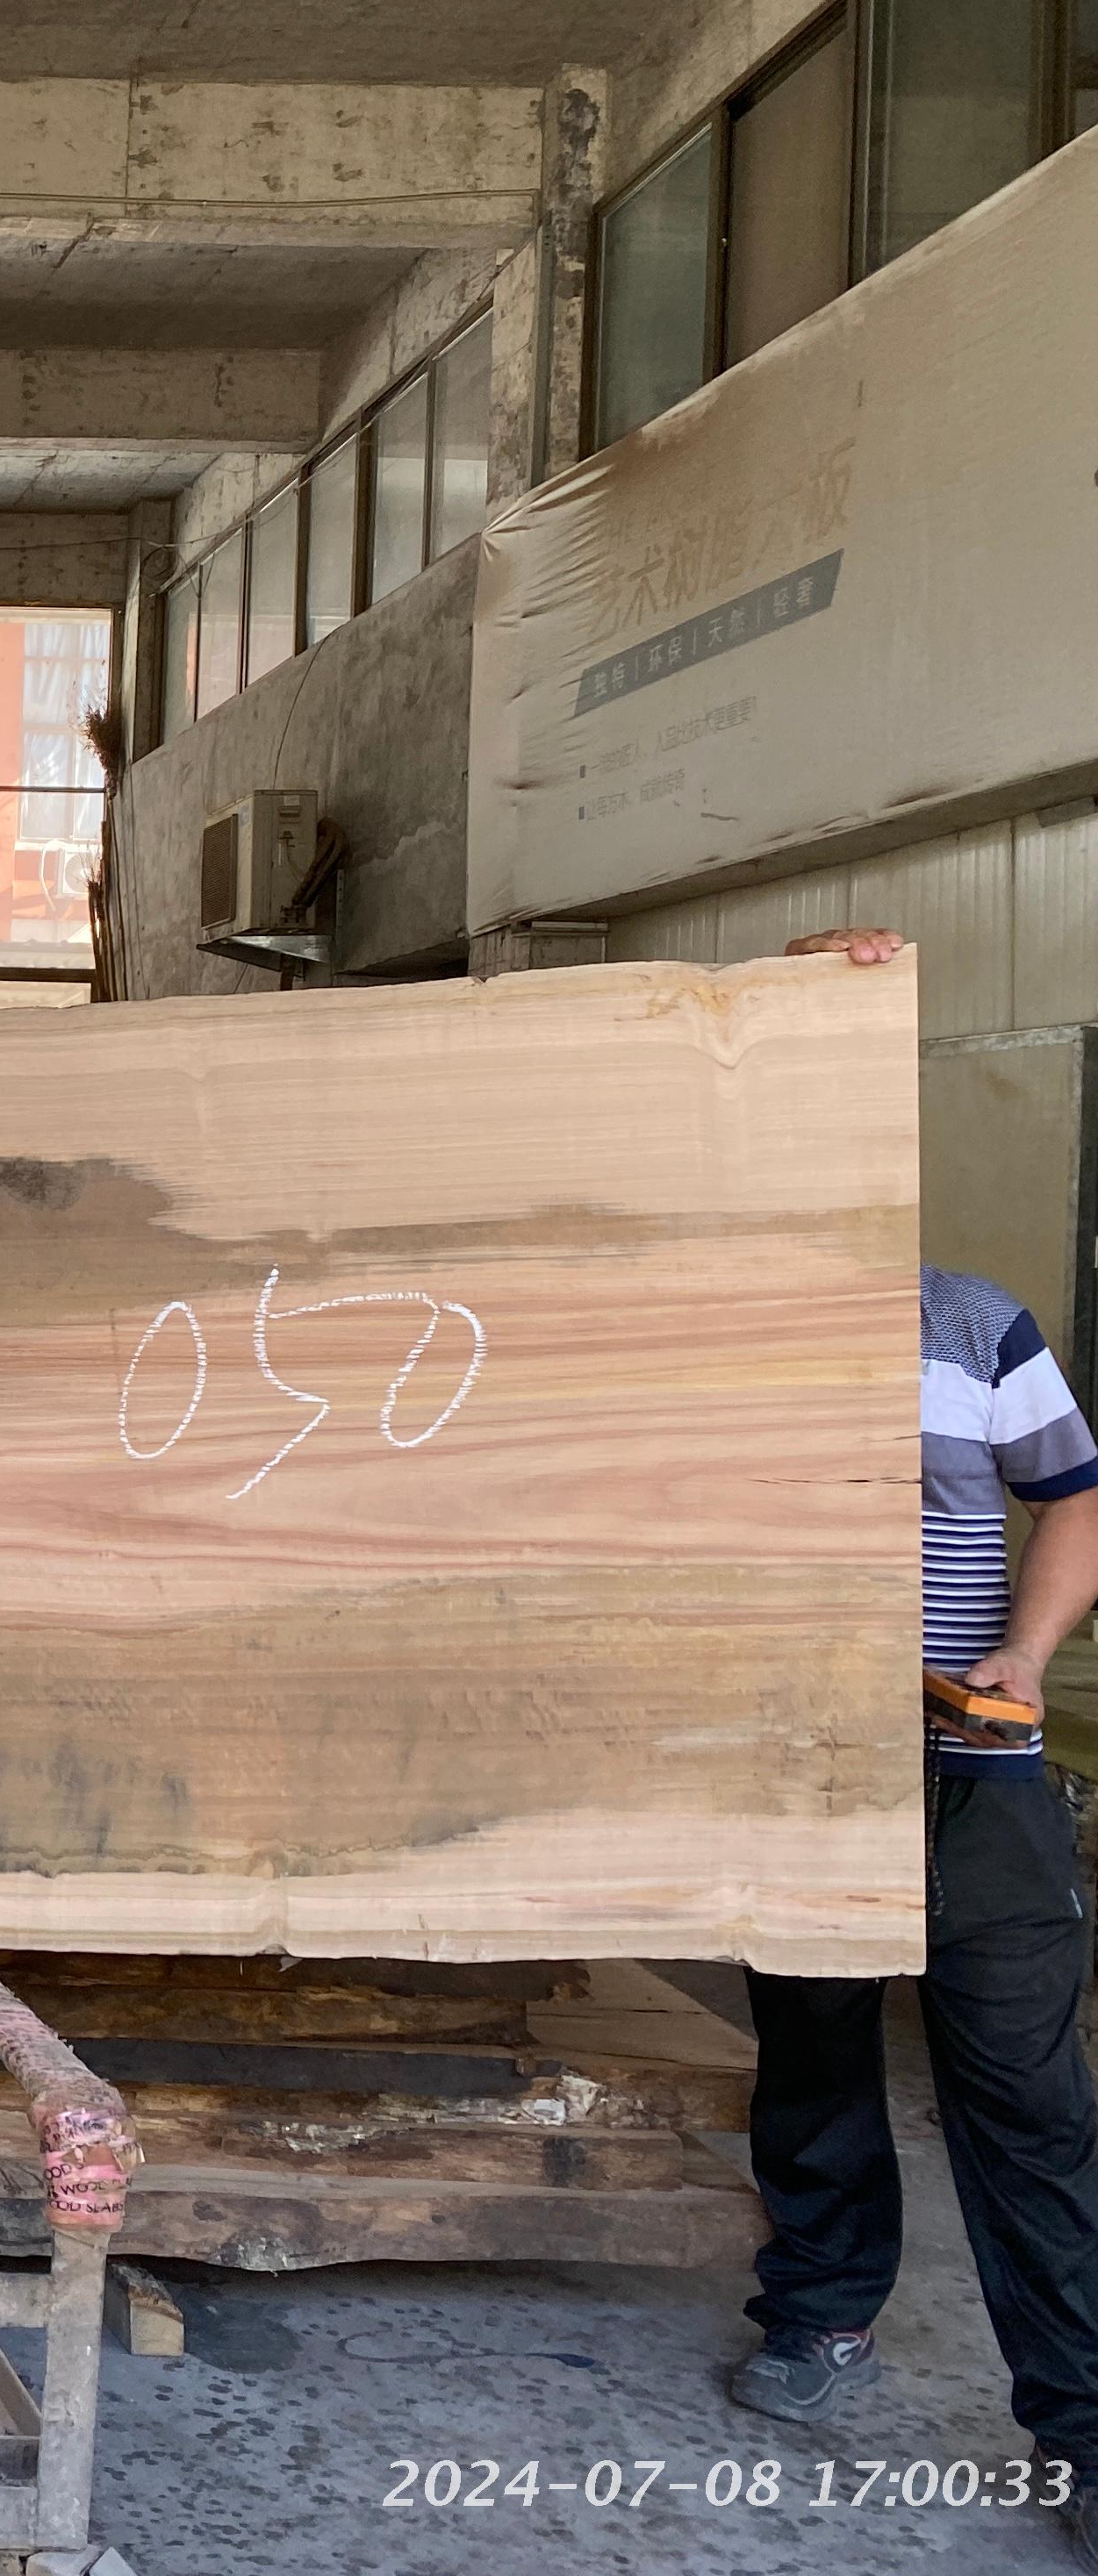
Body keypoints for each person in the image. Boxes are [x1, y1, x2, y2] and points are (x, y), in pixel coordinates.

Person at [728, 925, 1098, 2562]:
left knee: (1025, 2093)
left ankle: (1083, 2426)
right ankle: (822, 2311)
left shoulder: (974, 1327)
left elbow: (1073, 1502)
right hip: (802, 1766)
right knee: (815, 2061)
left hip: (973, 1766)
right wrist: (791, 986)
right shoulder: (726, 1337)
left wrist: (1024, 1651)